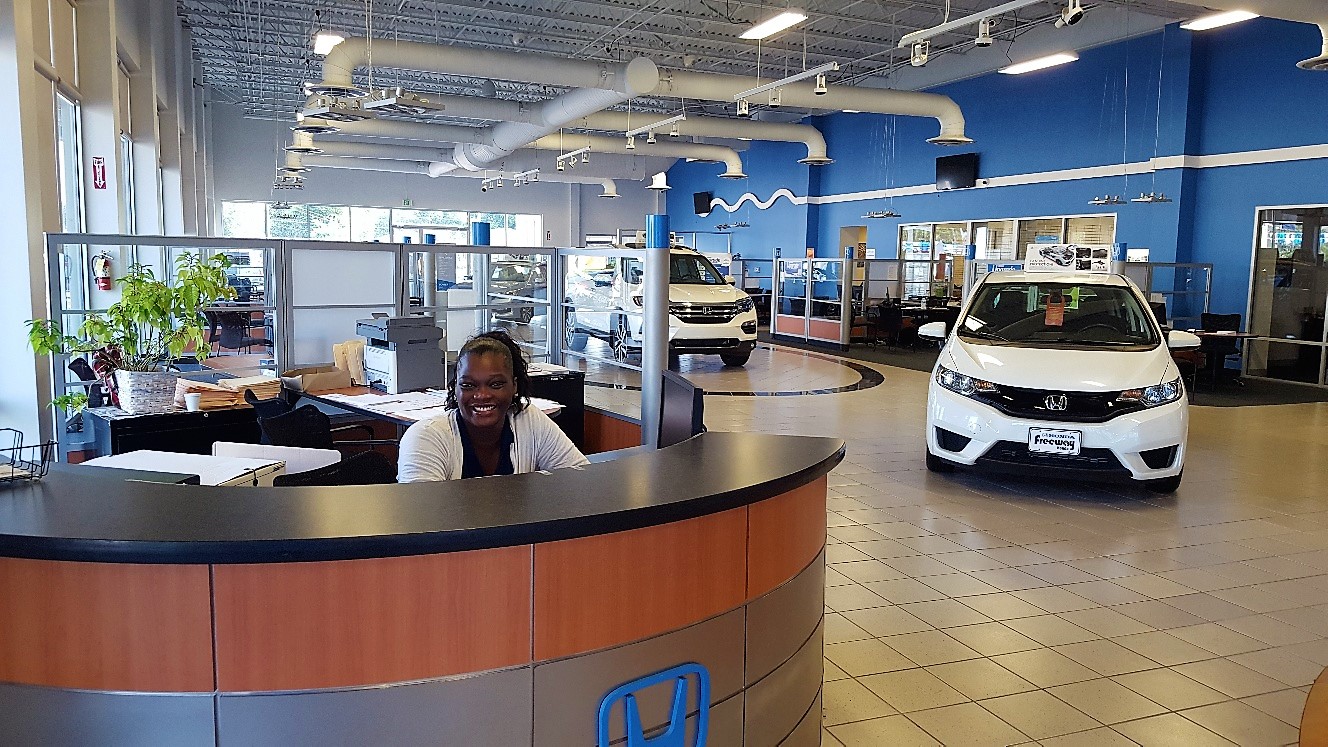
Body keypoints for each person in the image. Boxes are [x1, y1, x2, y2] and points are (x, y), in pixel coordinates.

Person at [397, 330, 587, 482]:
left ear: (514, 386)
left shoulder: (529, 421)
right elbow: (421, 513)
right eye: (468, 385)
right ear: (455, 388)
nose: (482, 395)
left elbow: (581, 481)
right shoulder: (425, 437)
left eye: (495, 384)